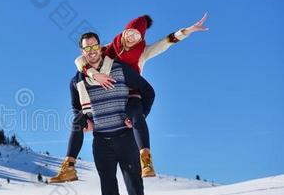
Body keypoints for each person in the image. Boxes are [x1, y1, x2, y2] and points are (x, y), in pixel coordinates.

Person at [49, 13, 208, 183]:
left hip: (131, 93)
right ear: (124, 32)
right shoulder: (110, 48)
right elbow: (80, 59)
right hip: (109, 94)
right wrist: (95, 75)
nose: (131, 38)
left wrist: (188, 30)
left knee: (137, 113)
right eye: (130, 33)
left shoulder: (143, 53)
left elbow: (166, 42)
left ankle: (146, 160)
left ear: (141, 39)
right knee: (79, 120)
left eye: (136, 36)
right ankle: (68, 167)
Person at [52, 32, 158, 195]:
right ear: (82, 52)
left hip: (125, 138)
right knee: (109, 191)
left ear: (101, 48)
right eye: (86, 48)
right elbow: (76, 109)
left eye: (94, 47)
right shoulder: (77, 81)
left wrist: (139, 116)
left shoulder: (120, 70)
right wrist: (86, 121)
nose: (91, 52)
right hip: (101, 142)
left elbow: (148, 92)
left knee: (134, 188)